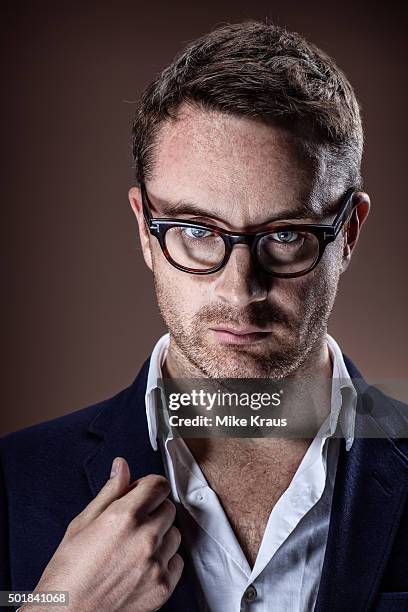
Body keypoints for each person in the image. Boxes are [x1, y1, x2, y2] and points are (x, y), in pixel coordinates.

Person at [1, 20, 407, 612]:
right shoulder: (13, 480)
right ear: (145, 227)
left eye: (287, 235)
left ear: (348, 232)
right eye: (196, 230)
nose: (240, 290)